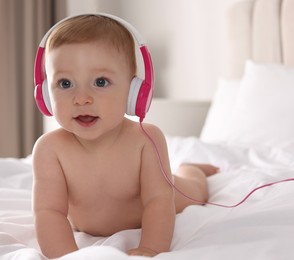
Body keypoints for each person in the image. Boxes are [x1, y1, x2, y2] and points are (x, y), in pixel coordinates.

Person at [32, 14, 219, 258]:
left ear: (134, 91)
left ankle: (192, 170)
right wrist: (66, 256)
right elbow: (48, 211)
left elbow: (158, 201)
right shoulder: (50, 149)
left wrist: (150, 248)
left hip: (173, 194)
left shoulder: (145, 139)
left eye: (100, 81)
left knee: (194, 192)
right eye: (65, 83)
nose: (82, 98)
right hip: (85, 222)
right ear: (46, 94)